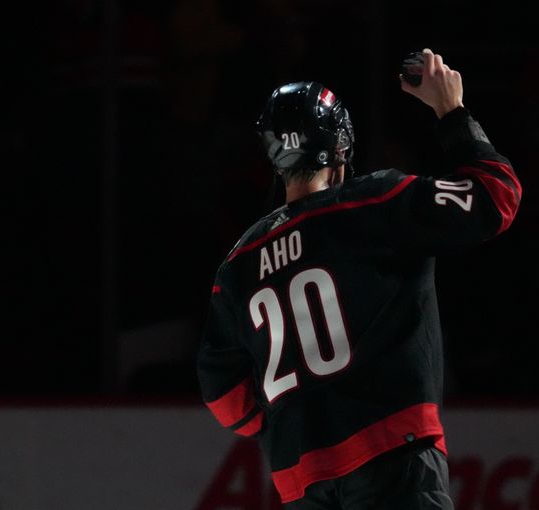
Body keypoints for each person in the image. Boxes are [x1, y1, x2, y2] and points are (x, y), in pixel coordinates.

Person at [197, 48, 521, 509]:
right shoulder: (373, 203)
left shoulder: (238, 262)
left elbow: (226, 397)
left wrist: (297, 418)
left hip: (302, 481)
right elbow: (498, 197)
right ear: (342, 146)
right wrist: (451, 111)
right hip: (392, 454)